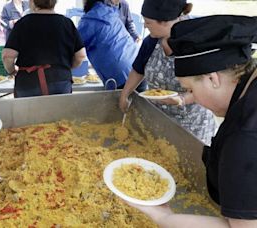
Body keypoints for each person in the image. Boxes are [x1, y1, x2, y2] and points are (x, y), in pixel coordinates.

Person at [126, 15, 257, 227]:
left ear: (213, 79)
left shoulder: (243, 138)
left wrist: (164, 218)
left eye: (190, 90)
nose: (191, 97)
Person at [119, 0, 216, 145]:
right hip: (158, 118)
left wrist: (182, 99)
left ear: (165, 22)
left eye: (148, 22)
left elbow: (210, 86)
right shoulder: (151, 41)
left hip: (191, 124)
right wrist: (125, 94)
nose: (144, 25)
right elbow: (138, 70)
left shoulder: (196, 43)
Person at [2, 0, 86, 98]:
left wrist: (11, 71)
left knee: (28, 113)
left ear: (32, 2)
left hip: (29, 82)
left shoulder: (22, 23)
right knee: (59, 112)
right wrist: (66, 67)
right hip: (60, 80)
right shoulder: (66, 23)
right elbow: (81, 55)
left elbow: (7, 56)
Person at [78, 0, 143, 90]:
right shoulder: (110, 12)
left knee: (119, 103)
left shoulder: (89, 21)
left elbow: (75, 49)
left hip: (121, 75)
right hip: (138, 67)